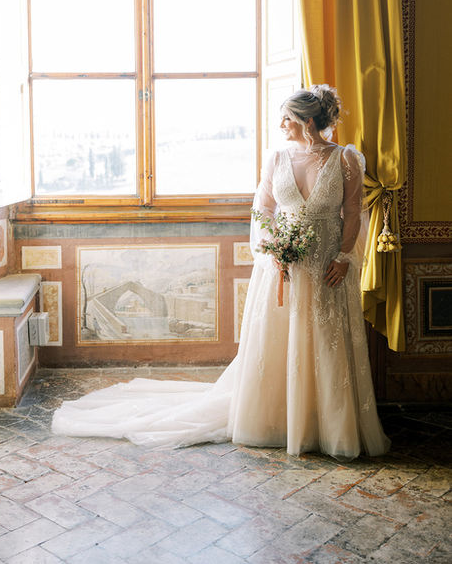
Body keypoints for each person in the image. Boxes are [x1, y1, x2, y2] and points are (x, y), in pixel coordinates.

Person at [52, 85, 390, 460]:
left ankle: (329, 427)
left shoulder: (346, 160)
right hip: (283, 268)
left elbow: (354, 213)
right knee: (280, 344)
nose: (281, 124)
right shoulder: (276, 158)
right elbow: (262, 210)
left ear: (308, 121)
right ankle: (277, 421)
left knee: (326, 345)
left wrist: (343, 258)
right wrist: (271, 250)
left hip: (327, 268)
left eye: (287, 118)